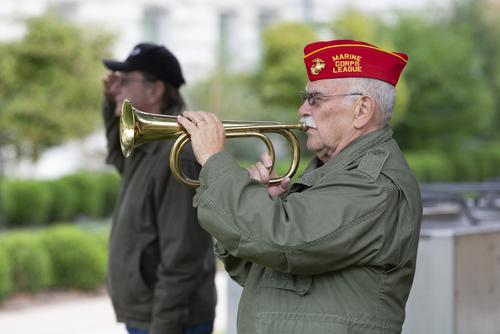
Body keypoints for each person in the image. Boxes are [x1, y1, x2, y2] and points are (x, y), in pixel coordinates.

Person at [177, 39, 422, 334]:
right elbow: (259, 271)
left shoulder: (373, 183)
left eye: (315, 99)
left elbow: (283, 240)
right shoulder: (330, 173)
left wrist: (216, 161)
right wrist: (256, 202)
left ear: (362, 110)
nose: (302, 109)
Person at [101, 43, 216, 334]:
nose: (117, 88)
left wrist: (164, 327)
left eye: (125, 81)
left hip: (170, 321)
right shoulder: (148, 145)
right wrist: (110, 104)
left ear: (155, 90)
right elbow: (118, 155)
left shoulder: (179, 154)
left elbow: (183, 256)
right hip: (150, 315)